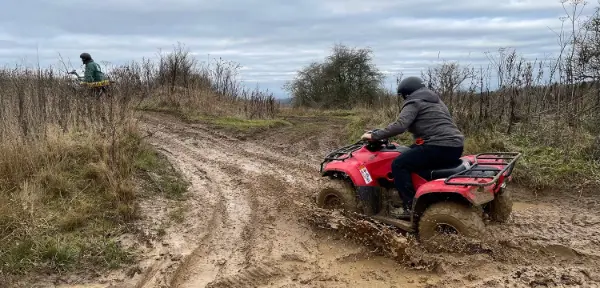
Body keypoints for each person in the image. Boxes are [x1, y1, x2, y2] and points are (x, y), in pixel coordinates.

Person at [361, 76, 464, 219]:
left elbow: (400, 125)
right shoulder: (436, 101)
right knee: (410, 152)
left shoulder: (414, 102)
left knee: (398, 164)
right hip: (455, 147)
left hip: (438, 146)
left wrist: (375, 135)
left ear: (406, 93)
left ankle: (409, 208)